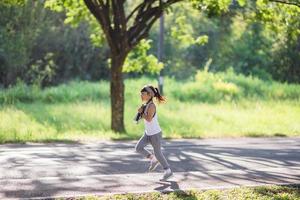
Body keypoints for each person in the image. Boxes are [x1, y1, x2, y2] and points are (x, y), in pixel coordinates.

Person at [135, 84, 173, 181]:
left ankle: (168, 171)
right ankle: (153, 158)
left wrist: (141, 113)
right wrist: (139, 115)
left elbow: (148, 118)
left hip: (155, 134)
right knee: (138, 148)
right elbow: (142, 117)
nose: (141, 95)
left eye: (143, 93)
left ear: (150, 95)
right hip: (148, 133)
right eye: (141, 93)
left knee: (158, 153)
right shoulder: (145, 105)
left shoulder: (151, 106)